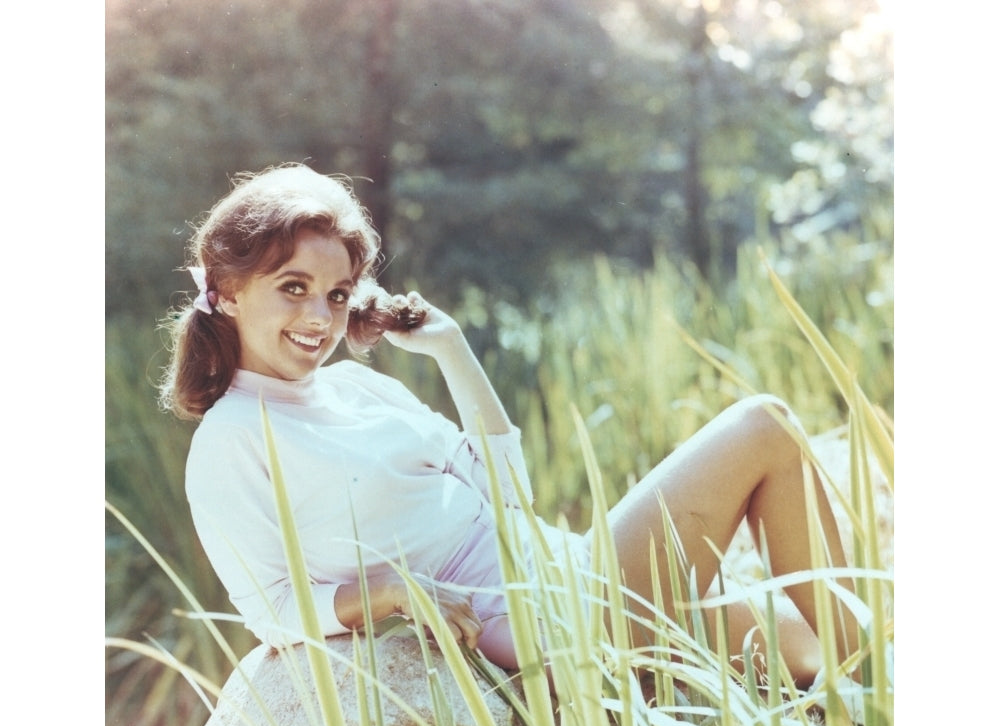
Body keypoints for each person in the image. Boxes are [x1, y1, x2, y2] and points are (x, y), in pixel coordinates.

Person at [160, 163, 860, 688]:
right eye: (294, 289)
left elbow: (509, 490)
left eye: (336, 294)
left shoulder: (360, 388)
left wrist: (453, 348)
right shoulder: (231, 438)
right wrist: (396, 592)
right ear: (223, 293)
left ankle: (878, 704)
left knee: (817, 649)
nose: (319, 318)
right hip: (542, 624)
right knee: (763, 425)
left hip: (571, 569)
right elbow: (272, 609)